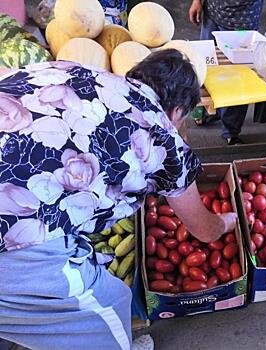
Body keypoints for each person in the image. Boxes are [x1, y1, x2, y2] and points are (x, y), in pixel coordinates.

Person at [0, 49, 236, 350]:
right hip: (11, 237)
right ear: (177, 111)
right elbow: (203, 229)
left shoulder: (75, 69)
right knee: (108, 305)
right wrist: (226, 223)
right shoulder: (159, 130)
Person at [188, 0, 266, 145]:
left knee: (237, 77)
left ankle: (231, 131)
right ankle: (212, 111)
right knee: (207, 65)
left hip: (242, 20)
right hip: (212, 11)